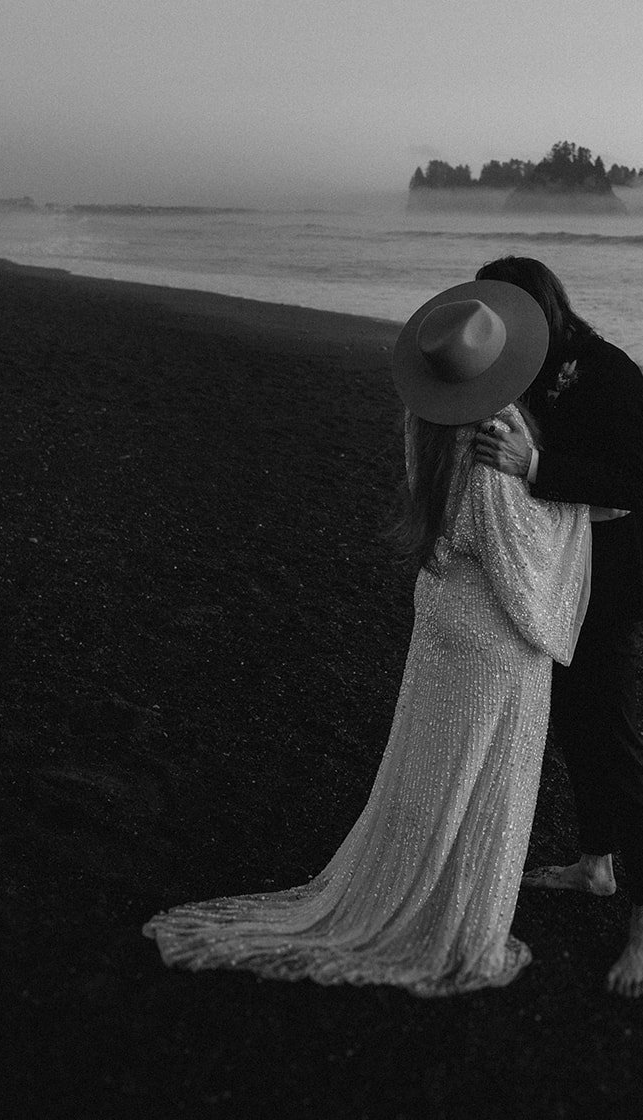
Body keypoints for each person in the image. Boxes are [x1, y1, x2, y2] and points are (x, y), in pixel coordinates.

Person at [143, 280, 591, 996]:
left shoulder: (428, 421)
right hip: (489, 632)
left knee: (429, 770)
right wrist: (570, 504)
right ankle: (453, 928)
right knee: (479, 783)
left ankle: (414, 893)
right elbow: (520, 556)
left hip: (441, 609)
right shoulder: (495, 434)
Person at [474, 257, 643, 998]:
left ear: (543, 312)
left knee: (614, 743)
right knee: (572, 730)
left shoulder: (607, 371)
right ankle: (595, 864)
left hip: (605, 588)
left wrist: (537, 464)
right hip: (546, 581)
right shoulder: (518, 371)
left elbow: (636, 486)